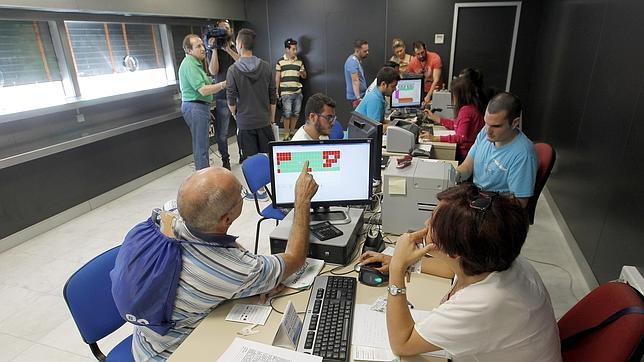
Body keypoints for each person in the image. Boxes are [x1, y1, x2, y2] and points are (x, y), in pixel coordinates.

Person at [132, 163, 319, 361]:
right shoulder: (236, 270)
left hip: (146, 338)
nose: (242, 196)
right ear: (226, 219)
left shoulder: (166, 217)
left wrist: (251, 284)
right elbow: (295, 258)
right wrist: (302, 200)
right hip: (173, 352)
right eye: (241, 194)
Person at [360, 184, 562, 361]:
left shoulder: (485, 301)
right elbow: (452, 271)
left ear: (453, 252)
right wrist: (401, 262)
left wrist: (397, 272)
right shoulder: (490, 257)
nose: (425, 225)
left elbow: (402, 343)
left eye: (432, 223)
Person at [456, 92, 537, 207]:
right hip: (477, 197)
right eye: (486, 123)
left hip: (498, 208)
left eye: (496, 126)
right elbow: (468, 166)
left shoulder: (523, 154)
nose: (488, 131)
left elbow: (520, 203)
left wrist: (483, 203)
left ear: (514, 123)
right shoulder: (485, 132)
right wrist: (455, 174)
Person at [226, 28, 277, 162]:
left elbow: (231, 99)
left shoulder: (233, 70)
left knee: (251, 163)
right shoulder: (266, 67)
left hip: (245, 123)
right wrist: (271, 119)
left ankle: (257, 184)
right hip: (264, 121)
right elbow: (273, 96)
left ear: (240, 45)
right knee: (268, 160)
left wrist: (235, 114)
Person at [178, 34, 226, 170]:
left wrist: (206, 109)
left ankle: (204, 174)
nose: (203, 49)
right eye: (198, 46)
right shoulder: (189, 65)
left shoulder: (196, 64)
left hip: (199, 107)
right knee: (201, 147)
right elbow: (203, 90)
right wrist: (223, 84)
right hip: (194, 107)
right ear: (189, 50)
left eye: (202, 45)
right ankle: (203, 179)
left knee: (203, 144)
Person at [422, 76, 485, 163]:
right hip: (469, 153)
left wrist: (435, 138)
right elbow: (456, 125)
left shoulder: (466, 111)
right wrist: (435, 118)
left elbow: (460, 137)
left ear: (459, 95)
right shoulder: (471, 107)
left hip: (464, 155)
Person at [207, 20, 240, 170]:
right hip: (222, 96)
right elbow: (213, 71)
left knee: (242, 127)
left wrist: (228, 49)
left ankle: (243, 153)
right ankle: (225, 159)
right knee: (223, 132)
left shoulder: (234, 46)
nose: (223, 32)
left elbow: (242, 63)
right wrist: (214, 49)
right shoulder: (212, 50)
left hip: (239, 94)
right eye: (221, 30)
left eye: (226, 29)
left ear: (231, 31)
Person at [276, 38, 307, 141]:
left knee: (296, 114)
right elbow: (277, 78)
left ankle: (292, 133)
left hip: (298, 92)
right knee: (287, 114)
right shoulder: (280, 62)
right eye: (293, 49)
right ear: (287, 49)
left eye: (296, 49)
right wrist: (276, 92)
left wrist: (302, 73)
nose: (295, 51)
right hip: (286, 93)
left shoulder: (299, 62)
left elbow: (304, 75)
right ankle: (286, 134)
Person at [407, 41, 442, 105]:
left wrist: (428, 96)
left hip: (434, 91)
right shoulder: (412, 63)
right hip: (419, 92)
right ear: (414, 54)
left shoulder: (435, 58)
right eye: (418, 54)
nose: (421, 56)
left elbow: (436, 80)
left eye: (422, 53)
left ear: (425, 49)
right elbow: (410, 81)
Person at [344, 39, 369, 109]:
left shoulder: (357, 61)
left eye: (367, 50)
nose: (367, 53)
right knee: (358, 119)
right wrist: (358, 99)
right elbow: (355, 81)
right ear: (357, 50)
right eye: (365, 51)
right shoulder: (352, 62)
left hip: (360, 96)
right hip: (355, 99)